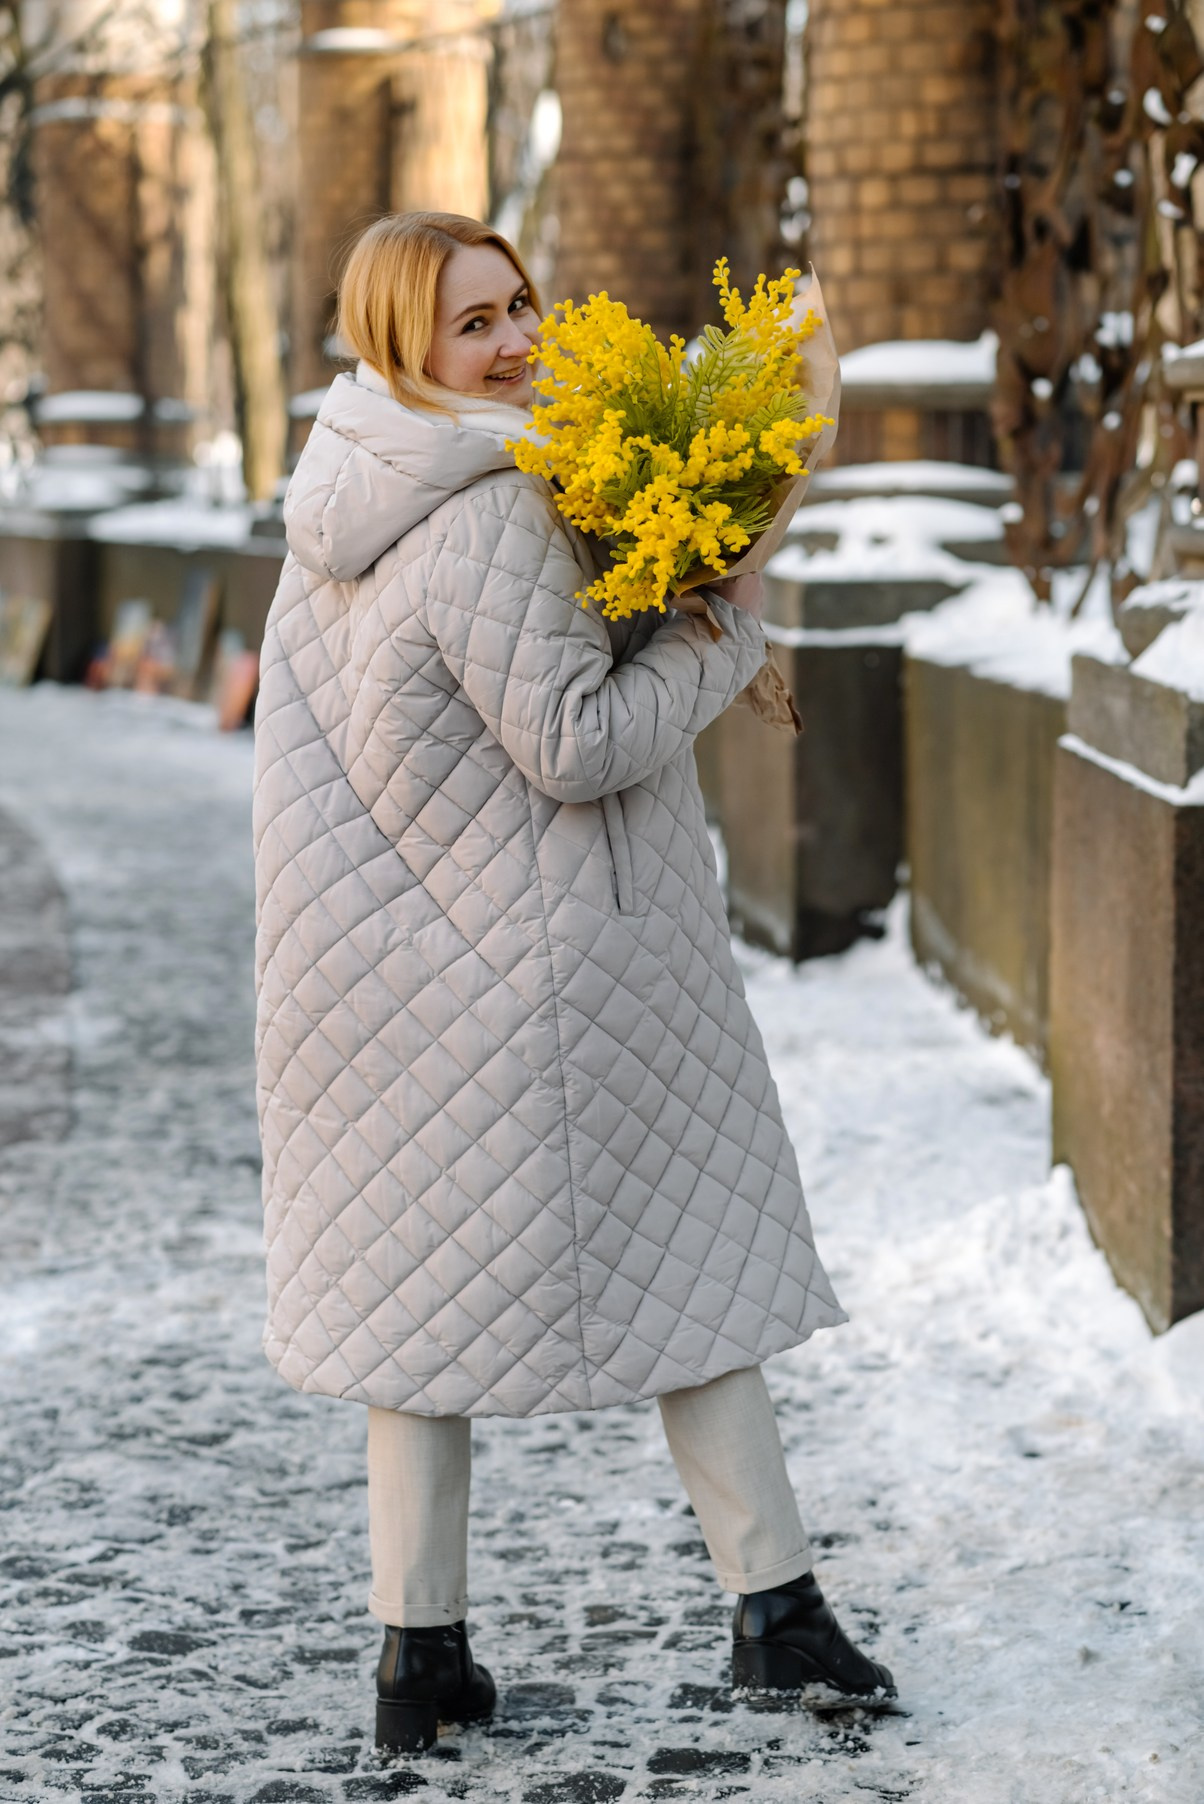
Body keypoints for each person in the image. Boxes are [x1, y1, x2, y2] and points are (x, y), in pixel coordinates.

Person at [252, 210, 895, 1755]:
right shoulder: (483, 507)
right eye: (476, 323)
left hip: (391, 977)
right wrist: (723, 629)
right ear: (405, 341)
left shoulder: (348, 498)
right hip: (549, 973)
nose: (520, 341)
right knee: (698, 1275)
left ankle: (420, 1660)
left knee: (416, 1321)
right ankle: (780, 1615)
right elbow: (573, 742)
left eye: (522, 303)